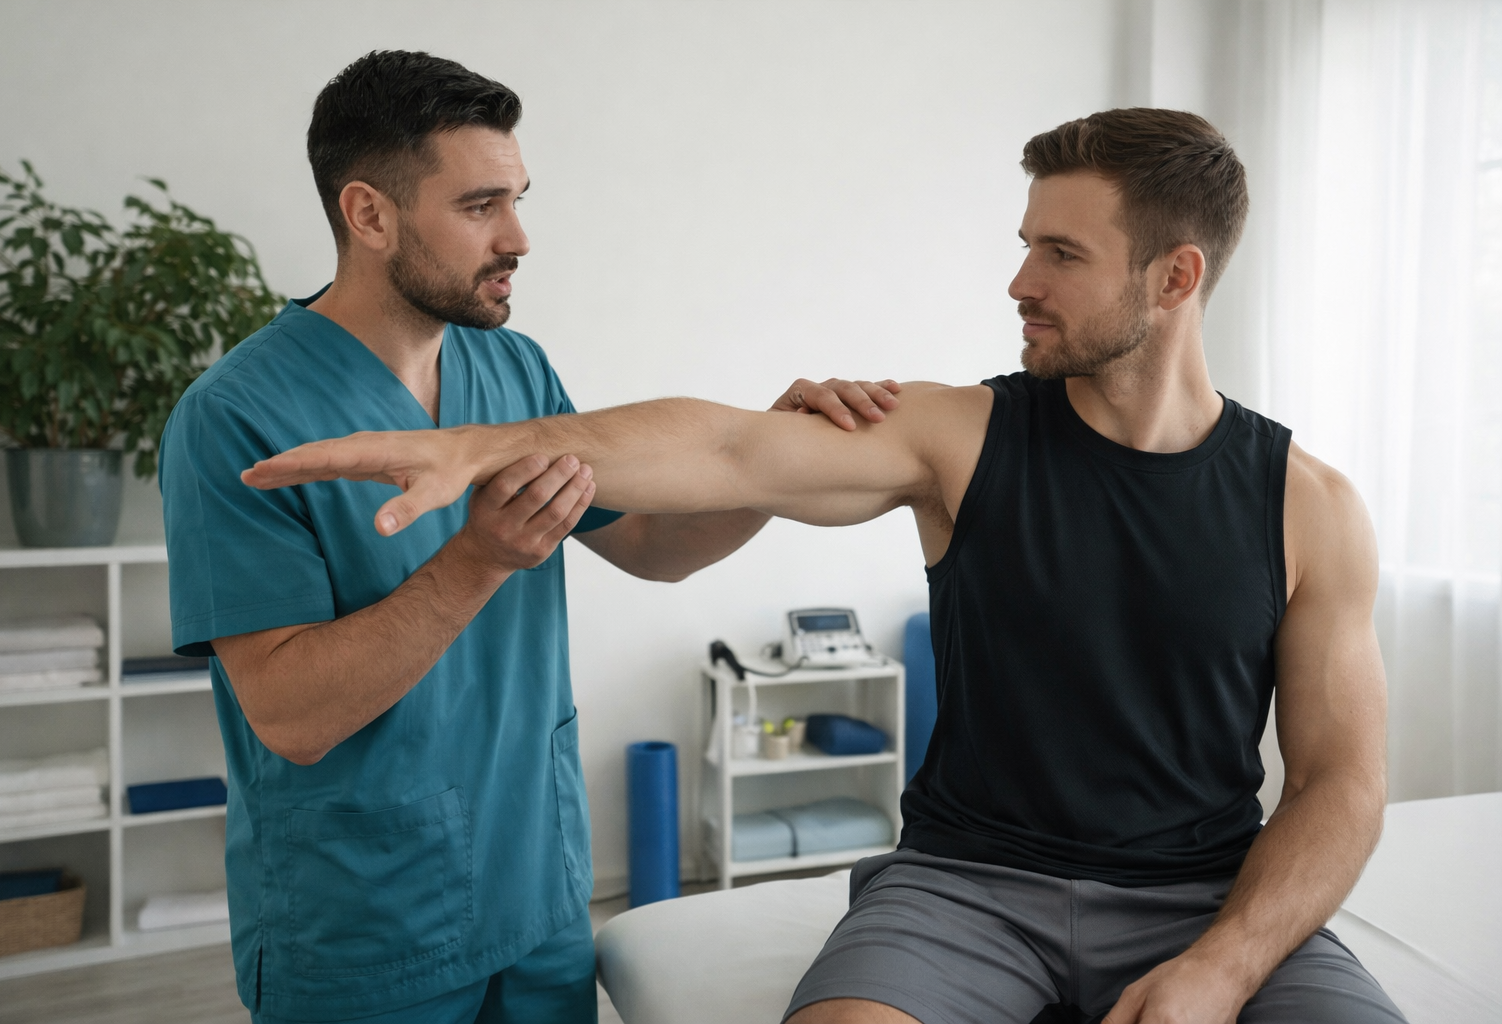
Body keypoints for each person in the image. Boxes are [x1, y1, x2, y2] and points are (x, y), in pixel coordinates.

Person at [244, 108, 1408, 1024]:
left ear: (1175, 277)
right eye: (1025, 246)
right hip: (967, 886)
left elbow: (1341, 784)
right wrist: (480, 447)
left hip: (1204, 896)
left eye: (1060, 253)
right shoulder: (961, 436)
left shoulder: (1311, 508)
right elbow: (726, 447)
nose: (1019, 281)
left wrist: (1225, 965)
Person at [159, 50, 895, 1024]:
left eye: (517, 199)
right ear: (369, 214)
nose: (518, 237)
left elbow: (649, 545)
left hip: (537, 893)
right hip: (365, 925)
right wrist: (478, 560)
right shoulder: (235, 418)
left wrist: (768, 466)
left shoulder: (513, 370)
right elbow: (292, 716)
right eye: (480, 207)